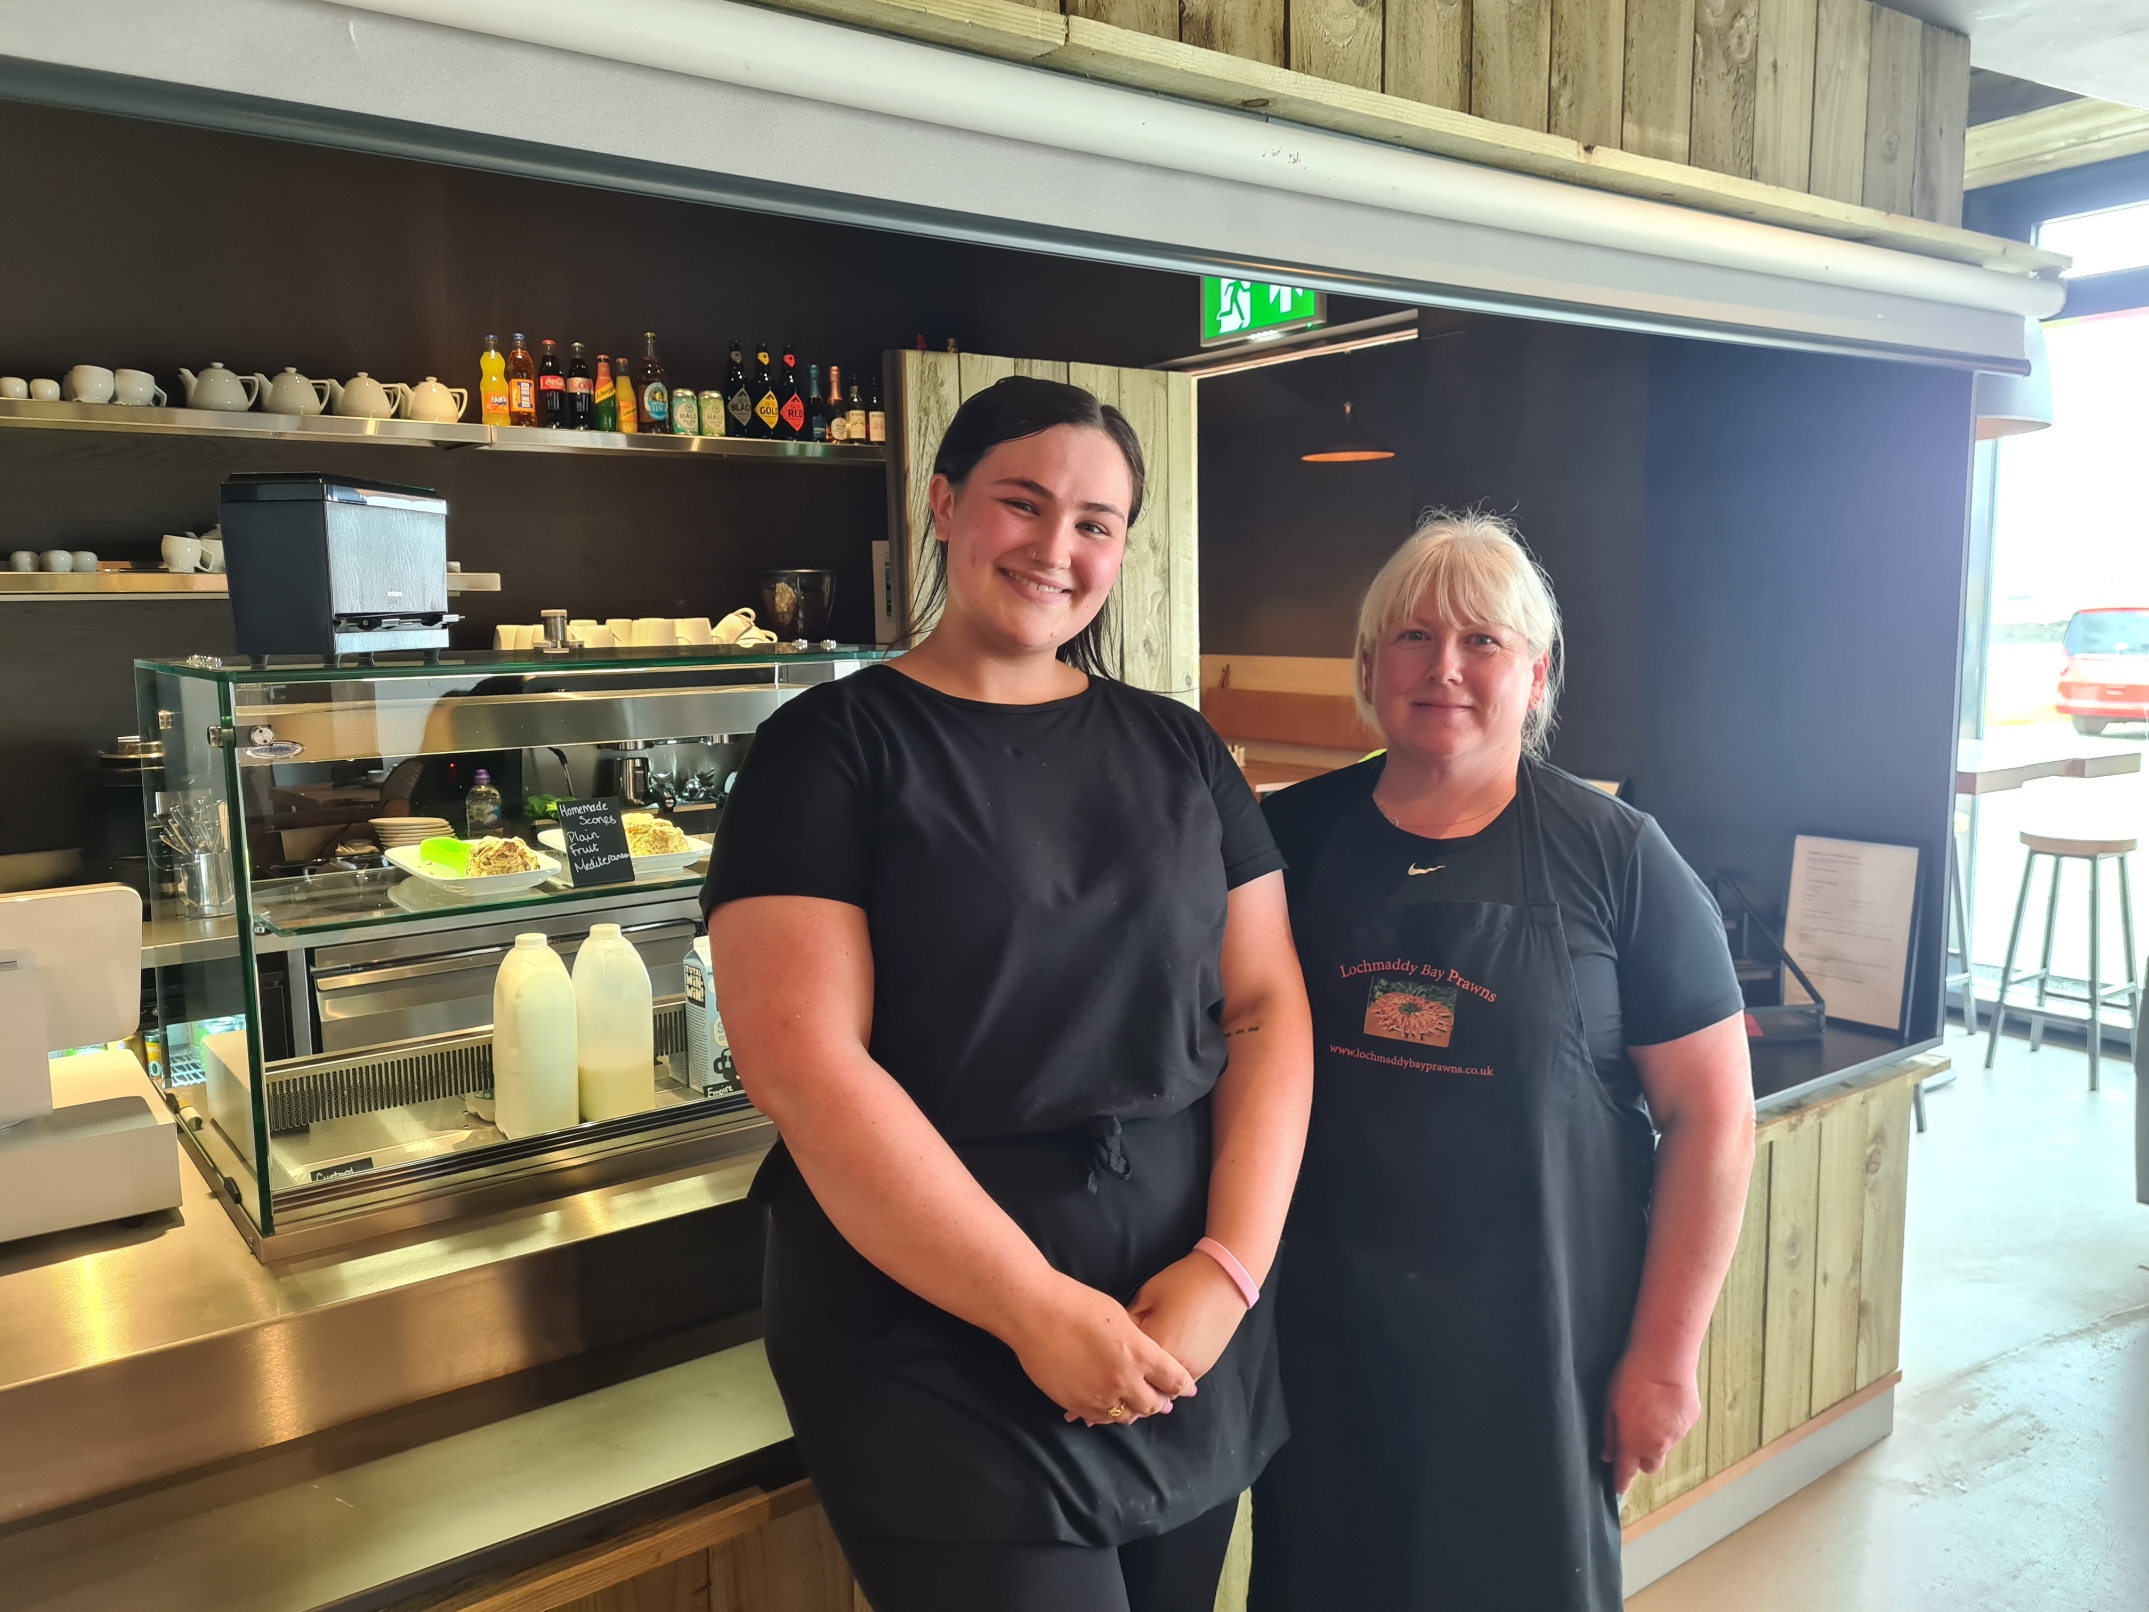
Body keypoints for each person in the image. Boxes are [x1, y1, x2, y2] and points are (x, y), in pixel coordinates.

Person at [704, 378, 1313, 1612]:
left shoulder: (1180, 748)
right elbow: (805, 1068)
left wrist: (1229, 1270)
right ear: (943, 505)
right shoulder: (829, 747)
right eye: (1021, 504)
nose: (1056, 548)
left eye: (1095, 522)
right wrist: (1032, 1307)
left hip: (1172, 1312)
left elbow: (1262, 1007)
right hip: (936, 1330)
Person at [1249, 512, 1757, 1611]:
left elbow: (1714, 1118)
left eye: (1483, 640)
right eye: (1413, 637)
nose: (1444, 667)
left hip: (1541, 1358)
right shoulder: (1283, 842)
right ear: (1370, 666)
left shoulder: (1618, 856)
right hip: (1326, 1349)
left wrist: (1664, 1359)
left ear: (1535, 673)